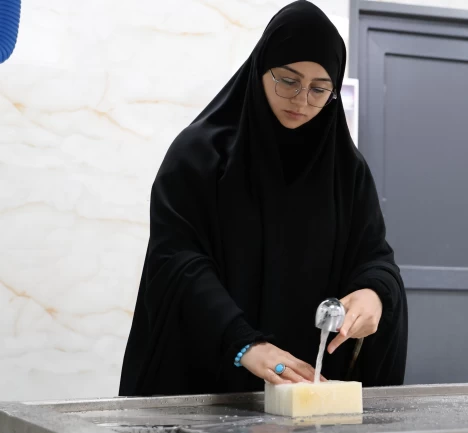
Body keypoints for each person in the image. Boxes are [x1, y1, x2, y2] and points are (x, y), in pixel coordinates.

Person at [118, 0, 408, 396]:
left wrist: (374, 292)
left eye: (320, 89)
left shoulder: (347, 171)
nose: (302, 100)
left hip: (309, 390)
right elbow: (176, 261)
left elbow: (374, 256)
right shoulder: (201, 156)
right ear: (260, 69)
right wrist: (243, 343)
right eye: (287, 80)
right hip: (211, 382)